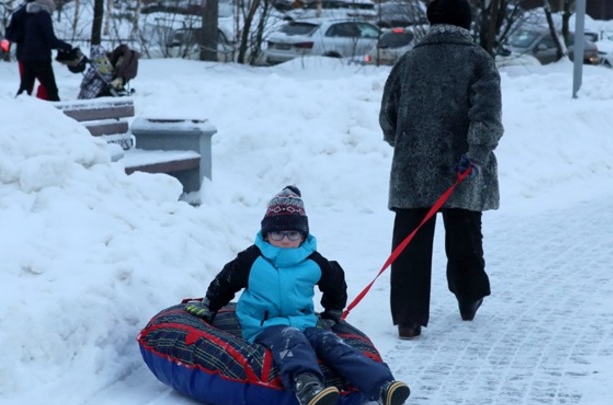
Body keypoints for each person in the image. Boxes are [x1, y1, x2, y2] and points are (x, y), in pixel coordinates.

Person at [184, 186, 411, 405]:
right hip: (263, 325)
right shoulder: (252, 259)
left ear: (303, 234)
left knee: (331, 343)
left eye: (292, 233)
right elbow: (226, 280)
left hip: (304, 321)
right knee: (291, 339)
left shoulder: (313, 261)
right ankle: (307, 386)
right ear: (266, 233)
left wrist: (332, 311)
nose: (285, 240)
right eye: (277, 233)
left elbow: (334, 282)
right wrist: (210, 305)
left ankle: (382, 385)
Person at [378, 0, 504, 339]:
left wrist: (406, 145)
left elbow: (387, 116)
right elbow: (487, 115)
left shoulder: (409, 60)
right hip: (462, 168)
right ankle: (469, 295)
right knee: (464, 237)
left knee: (410, 243)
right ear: (466, 23)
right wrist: (476, 152)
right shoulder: (478, 59)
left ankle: (408, 318)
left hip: (410, 172)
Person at [15, 0, 72, 101]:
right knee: (51, 90)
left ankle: (14, 110)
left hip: (27, 57)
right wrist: (67, 46)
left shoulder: (31, 15)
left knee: (24, 90)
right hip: (40, 58)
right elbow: (50, 39)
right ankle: (57, 115)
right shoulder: (44, 15)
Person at [3, 0, 47, 100]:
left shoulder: (20, 11)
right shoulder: (36, 11)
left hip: (22, 52)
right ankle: (41, 104)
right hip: (35, 54)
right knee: (45, 84)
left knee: (26, 85)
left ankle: (25, 105)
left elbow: (11, 34)